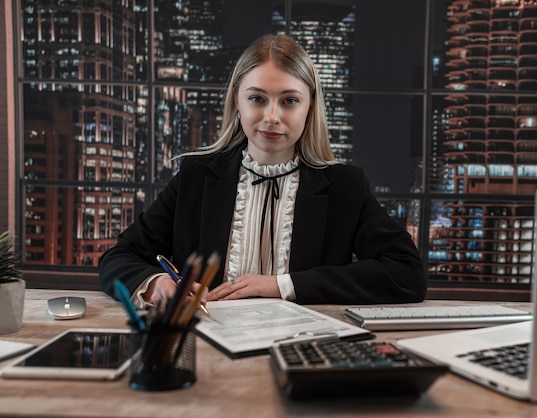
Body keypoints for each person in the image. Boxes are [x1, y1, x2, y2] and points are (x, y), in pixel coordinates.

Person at [98, 34, 427, 307]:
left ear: (310, 107)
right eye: (257, 98)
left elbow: (407, 273)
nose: (272, 116)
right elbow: (119, 257)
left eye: (289, 101)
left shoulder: (344, 185)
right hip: (208, 348)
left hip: (302, 347)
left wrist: (281, 285)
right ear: (236, 103)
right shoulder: (196, 176)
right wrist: (156, 285)